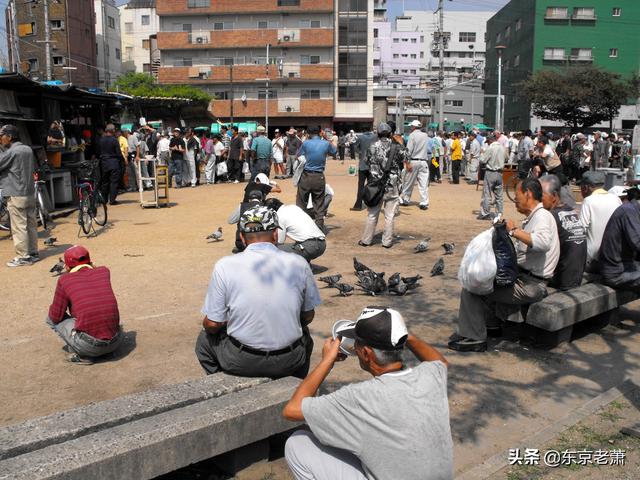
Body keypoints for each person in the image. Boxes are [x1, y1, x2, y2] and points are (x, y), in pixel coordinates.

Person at [283, 306, 453, 480]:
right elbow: (440, 362)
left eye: (356, 342)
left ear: (365, 353)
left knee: (297, 443)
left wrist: (327, 361)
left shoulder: (360, 397)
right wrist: (398, 333)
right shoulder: (431, 377)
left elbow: (292, 410)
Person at [195, 206, 321, 379]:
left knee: (204, 340)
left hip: (242, 360)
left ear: (242, 237)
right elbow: (308, 316)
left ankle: (224, 382)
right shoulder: (299, 263)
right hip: (289, 359)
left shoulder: (224, 266)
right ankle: (295, 386)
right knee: (305, 336)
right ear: (276, 234)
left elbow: (212, 324)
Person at [448, 178, 560, 352]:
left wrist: (513, 231)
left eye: (517, 195)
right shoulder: (535, 217)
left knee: (473, 288)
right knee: (487, 278)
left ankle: (475, 337)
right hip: (527, 279)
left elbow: (542, 243)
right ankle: (492, 326)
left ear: (528, 194)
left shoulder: (542, 216)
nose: (515, 200)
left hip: (532, 285)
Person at [46, 246, 123, 364]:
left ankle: (84, 355)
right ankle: (106, 352)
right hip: (115, 342)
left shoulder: (64, 279)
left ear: (66, 267)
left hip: (88, 346)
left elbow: (55, 316)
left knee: (51, 319)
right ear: (91, 262)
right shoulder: (104, 271)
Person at [359, 122, 405, 249]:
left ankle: (366, 240)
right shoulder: (397, 147)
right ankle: (387, 242)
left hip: (375, 186)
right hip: (392, 185)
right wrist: (399, 142)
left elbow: (366, 162)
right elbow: (406, 158)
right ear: (391, 134)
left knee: (372, 214)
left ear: (378, 134)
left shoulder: (371, 147)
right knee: (389, 216)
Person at [539, 175, 587, 290]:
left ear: (554, 196)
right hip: (576, 276)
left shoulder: (551, 217)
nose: (538, 200)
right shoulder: (570, 211)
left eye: (541, 196)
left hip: (561, 280)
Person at [0, 125, 39, 267]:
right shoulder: (27, 149)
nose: (0, 139)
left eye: (1, 136)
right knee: (31, 225)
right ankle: (33, 253)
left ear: (9, 136)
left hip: (16, 193)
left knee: (19, 227)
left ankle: (23, 256)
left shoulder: (12, 152)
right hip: (29, 192)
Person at [579, 171, 622, 273]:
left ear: (586, 187)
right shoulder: (616, 198)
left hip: (593, 259)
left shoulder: (589, 201)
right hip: (614, 256)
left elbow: (581, 230)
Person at [599, 186, 640, 292]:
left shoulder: (632, 210)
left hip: (627, 266)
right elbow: (638, 243)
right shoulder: (628, 211)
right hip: (617, 272)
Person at [296, 125, 337, 231]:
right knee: (319, 204)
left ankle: (300, 228)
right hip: (319, 176)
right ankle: (318, 228)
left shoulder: (305, 143)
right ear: (320, 132)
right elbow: (334, 152)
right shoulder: (326, 143)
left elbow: (298, 156)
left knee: (301, 203)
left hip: (305, 176)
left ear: (308, 134)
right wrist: (327, 138)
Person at [265, 197, 326, 262]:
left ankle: (286, 269)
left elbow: (280, 241)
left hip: (311, 247)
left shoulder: (280, 216)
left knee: (274, 249)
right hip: (322, 244)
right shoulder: (293, 207)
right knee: (299, 242)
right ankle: (306, 266)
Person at [400, 120, 430, 209]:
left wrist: (406, 162)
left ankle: (406, 199)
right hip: (423, 161)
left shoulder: (412, 135)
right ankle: (424, 202)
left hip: (414, 161)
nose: (410, 128)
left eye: (411, 126)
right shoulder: (425, 135)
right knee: (423, 184)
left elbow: (408, 150)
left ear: (413, 127)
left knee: (409, 182)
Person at [477, 133, 507, 220]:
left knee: (487, 194)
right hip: (500, 173)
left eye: (488, 142)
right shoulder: (502, 147)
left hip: (490, 172)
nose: (488, 143)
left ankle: (485, 213)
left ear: (490, 140)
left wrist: (482, 153)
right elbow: (506, 157)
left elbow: (483, 160)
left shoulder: (490, 148)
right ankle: (499, 214)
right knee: (499, 195)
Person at [98, 124, 125, 206]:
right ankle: (112, 200)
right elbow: (119, 153)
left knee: (105, 181)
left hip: (104, 163)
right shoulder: (114, 140)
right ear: (113, 131)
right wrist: (122, 161)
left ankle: (104, 199)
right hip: (114, 163)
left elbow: (98, 151)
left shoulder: (101, 140)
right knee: (114, 182)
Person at [351, 129, 375, 211]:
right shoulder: (375, 137)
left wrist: (360, 152)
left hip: (362, 165)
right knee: (371, 185)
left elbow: (354, 147)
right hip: (372, 165)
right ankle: (371, 204)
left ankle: (358, 205)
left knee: (360, 185)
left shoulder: (360, 137)